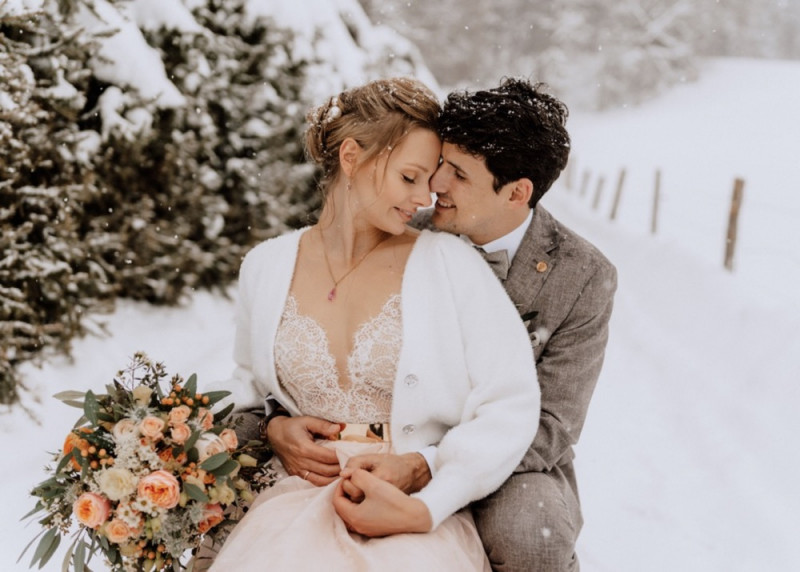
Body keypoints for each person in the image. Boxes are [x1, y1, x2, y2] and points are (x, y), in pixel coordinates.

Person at [268, 78, 618, 572]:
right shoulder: (397, 227)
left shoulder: (582, 276)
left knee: (531, 540)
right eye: (440, 164)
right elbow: (309, 338)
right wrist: (275, 421)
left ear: (517, 192)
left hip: (514, 459)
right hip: (391, 437)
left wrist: (429, 465)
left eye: (458, 173)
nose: (434, 185)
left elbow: (553, 423)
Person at [206, 77, 541, 571]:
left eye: (429, 180)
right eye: (409, 177)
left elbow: (510, 401)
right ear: (351, 157)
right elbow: (250, 385)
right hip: (290, 504)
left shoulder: (449, 263)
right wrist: (273, 427)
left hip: (406, 508)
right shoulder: (265, 265)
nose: (424, 198)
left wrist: (427, 499)